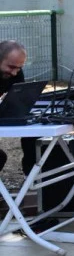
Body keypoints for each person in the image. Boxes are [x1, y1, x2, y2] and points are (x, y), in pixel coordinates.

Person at [0, 41, 38, 175]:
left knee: (33, 135)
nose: (15, 73)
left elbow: (19, 98)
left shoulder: (15, 73)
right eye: (11, 67)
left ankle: (32, 179)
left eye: (19, 68)